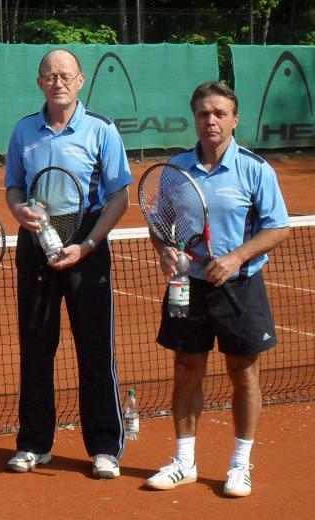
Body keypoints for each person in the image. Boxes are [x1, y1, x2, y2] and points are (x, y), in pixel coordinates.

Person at [145, 81, 288, 497]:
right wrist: (164, 250)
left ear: (234, 120)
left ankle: (240, 465)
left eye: (220, 113)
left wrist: (236, 257)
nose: (211, 120)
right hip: (188, 285)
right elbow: (160, 223)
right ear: (195, 118)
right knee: (186, 369)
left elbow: (277, 226)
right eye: (204, 113)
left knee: (243, 373)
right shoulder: (176, 169)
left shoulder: (255, 169)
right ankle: (184, 462)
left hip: (239, 287)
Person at [4, 48, 131, 478]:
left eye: (65, 75)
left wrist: (89, 245)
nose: (57, 81)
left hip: (86, 241)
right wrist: (19, 211)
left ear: (80, 81)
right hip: (36, 240)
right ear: (39, 83)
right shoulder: (24, 130)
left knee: (95, 350)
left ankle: (105, 447)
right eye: (50, 75)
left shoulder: (101, 129)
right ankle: (33, 444)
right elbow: (14, 187)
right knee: (36, 349)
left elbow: (119, 196)